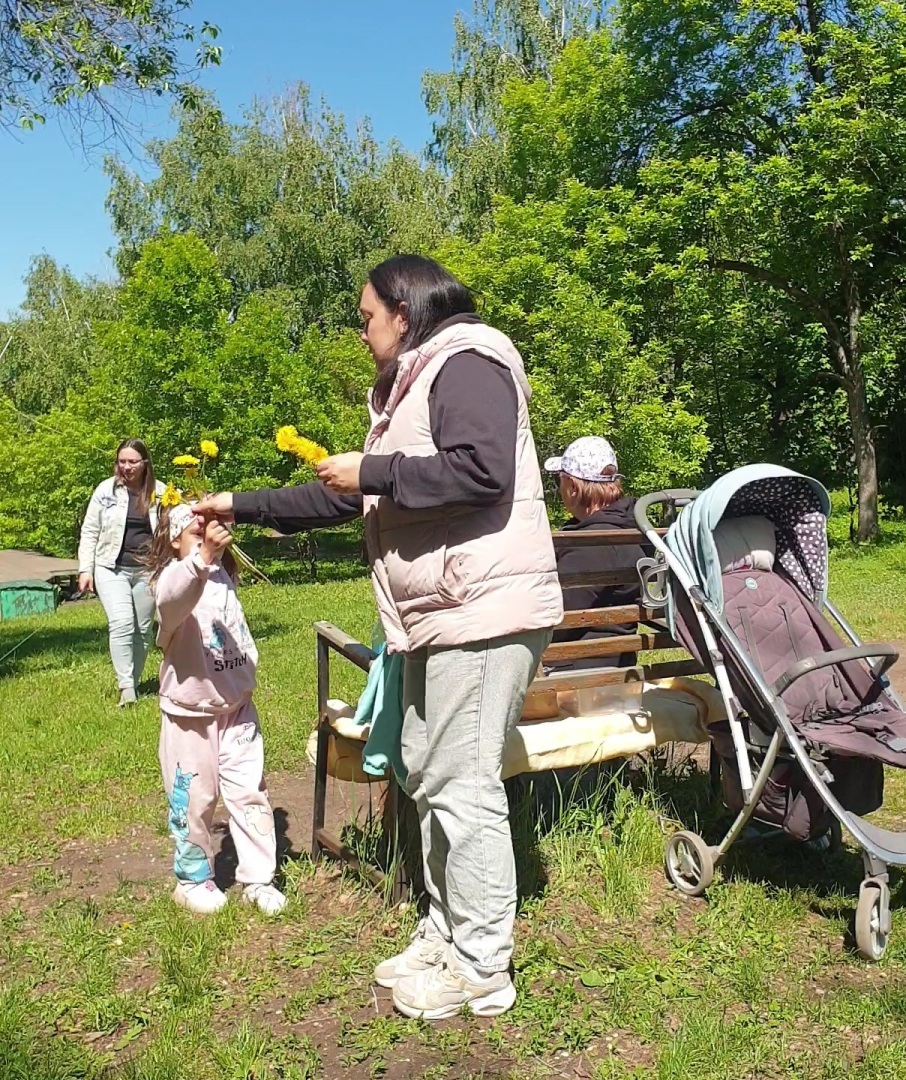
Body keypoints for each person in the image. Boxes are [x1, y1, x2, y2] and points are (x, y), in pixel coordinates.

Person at [196, 254, 562, 1019]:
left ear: (404, 309)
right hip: (441, 618)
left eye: (366, 317)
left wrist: (376, 468)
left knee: (464, 787)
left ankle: (483, 967)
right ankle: (445, 930)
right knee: (430, 777)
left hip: (482, 615)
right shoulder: (414, 385)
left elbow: (481, 470)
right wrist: (239, 502)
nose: (362, 333)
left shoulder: (467, 358)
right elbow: (355, 498)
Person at [145, 501, 287, 917]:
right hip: (191, 717)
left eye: (215, 533)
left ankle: (258, 877)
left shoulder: (223, 575)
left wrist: (214, 554)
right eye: (196, 533)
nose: (210, 541)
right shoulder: (171, 580)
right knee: (194, 798)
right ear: (175, 540)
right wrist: (202, 557)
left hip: (237, 709)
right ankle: (192, 878)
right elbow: (173, 600)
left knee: (249, 792)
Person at [543, 436, 649, 672]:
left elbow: (554, 620)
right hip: (615, 666)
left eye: (560, 480)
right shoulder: (633, 530)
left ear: (572, 487)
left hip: (575, 673)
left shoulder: (591, 544)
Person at [77, 439, 165, 706]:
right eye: (122, 461)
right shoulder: (106, 490)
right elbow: (90, 531)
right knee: (122, 623)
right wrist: (85, 569)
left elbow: (179, 525)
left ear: (144, 463)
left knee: (142, 629)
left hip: (148, 569)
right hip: (110, 567)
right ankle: (126, 688)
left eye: (132, 462)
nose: (126, 467)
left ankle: (134, 681)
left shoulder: (161, 492)